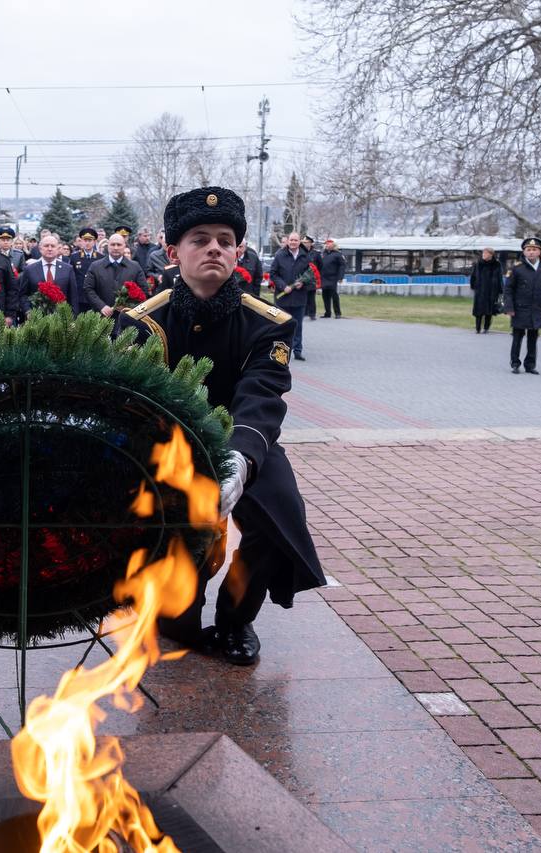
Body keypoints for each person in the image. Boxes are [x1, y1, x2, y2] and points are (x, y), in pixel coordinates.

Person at [120, 185, 324, 666]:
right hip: (167, 445)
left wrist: (240, 459)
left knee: (278, 516)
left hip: (244, 441)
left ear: (239, 251)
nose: (215, 247)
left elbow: (262, 394)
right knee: (174, 580)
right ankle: (179, 617)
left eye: (225, 239)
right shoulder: (142, 322)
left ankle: (236, 618)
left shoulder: (267, 323)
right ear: (172, 252)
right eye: (200, 238)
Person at [503, 237, 541, 374]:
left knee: (533, 337)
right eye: (528, 250)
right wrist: (509, 307)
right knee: (517, 337)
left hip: (536, 308)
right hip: (520, 308)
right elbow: (508, 289)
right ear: (524, 252)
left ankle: (530, 364)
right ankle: (515, 363)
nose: (531, 252)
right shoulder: (517, 268)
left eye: (534, 250)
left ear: (539, 252)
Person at [267, 232, 312, 360]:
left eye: (295, 240)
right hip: (283, 298)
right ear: (288, 241)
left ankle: (297, 351)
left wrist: (302, 284)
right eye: (291, 240)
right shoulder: (280, 255)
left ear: (299, 242)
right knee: (282, 326)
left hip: (299, 298)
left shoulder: (305, 257)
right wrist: (283, 286)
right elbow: (273, 274)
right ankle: (280, 353)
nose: (293, 242)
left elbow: (310, 277)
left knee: (298, 326)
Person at [83, 231, 148, 318]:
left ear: (124, 246)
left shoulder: (135, 267)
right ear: (108, 246)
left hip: (127, 318)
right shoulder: (95, 266)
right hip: (101, 317)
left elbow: (144, 291)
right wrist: (101, 306)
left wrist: (128, 307)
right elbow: (88, 289)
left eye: (119, 244)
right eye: (113, 245)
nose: (116, 247)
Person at [19, 234, 83, 315]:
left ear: (58, 249)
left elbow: (73, 297)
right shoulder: (29, 269)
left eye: (53, 246)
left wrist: (72, 318)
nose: (49, 249)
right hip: (36, 318)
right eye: (46, 246)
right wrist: (28, 312)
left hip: (61, 317)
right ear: (40, 248)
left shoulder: (68, 269)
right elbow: (23, 295)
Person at [468, 247, 503, 333]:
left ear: (491, 255)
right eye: (483, 253)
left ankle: (486, 327)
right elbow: (473, 276)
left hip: (492, 291)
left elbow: (500, 278)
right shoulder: (478, 264)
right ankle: (477, 328)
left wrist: (500, 290)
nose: (484, 255)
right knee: (478, 310)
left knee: (489, 311)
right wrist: (473, 286)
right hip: (480, 290)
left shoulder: (496, 264)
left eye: (486, 253)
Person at [316, 238, 346, 317]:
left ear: (333, 245)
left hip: (333, 278)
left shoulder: (338, 254)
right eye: (326, 243)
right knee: (325, 296)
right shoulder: (323, 254)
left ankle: (338, 313)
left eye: (329, 243)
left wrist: (340, 277)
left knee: (334, 296)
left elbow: (342, 266)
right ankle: (327, 313)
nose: (327, 245)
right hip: (324, 278)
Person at [300, 235, 321, 320]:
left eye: (306, 242)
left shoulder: (316, 254)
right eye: (303, 242)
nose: (305, 244)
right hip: (302, 278)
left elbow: (320, 265)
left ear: (311, 243)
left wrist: (315, 275)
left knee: (311, 297)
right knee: (303, 296)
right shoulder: (301, 252)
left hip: (312, 279)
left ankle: (312, 314)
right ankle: (304, 312)